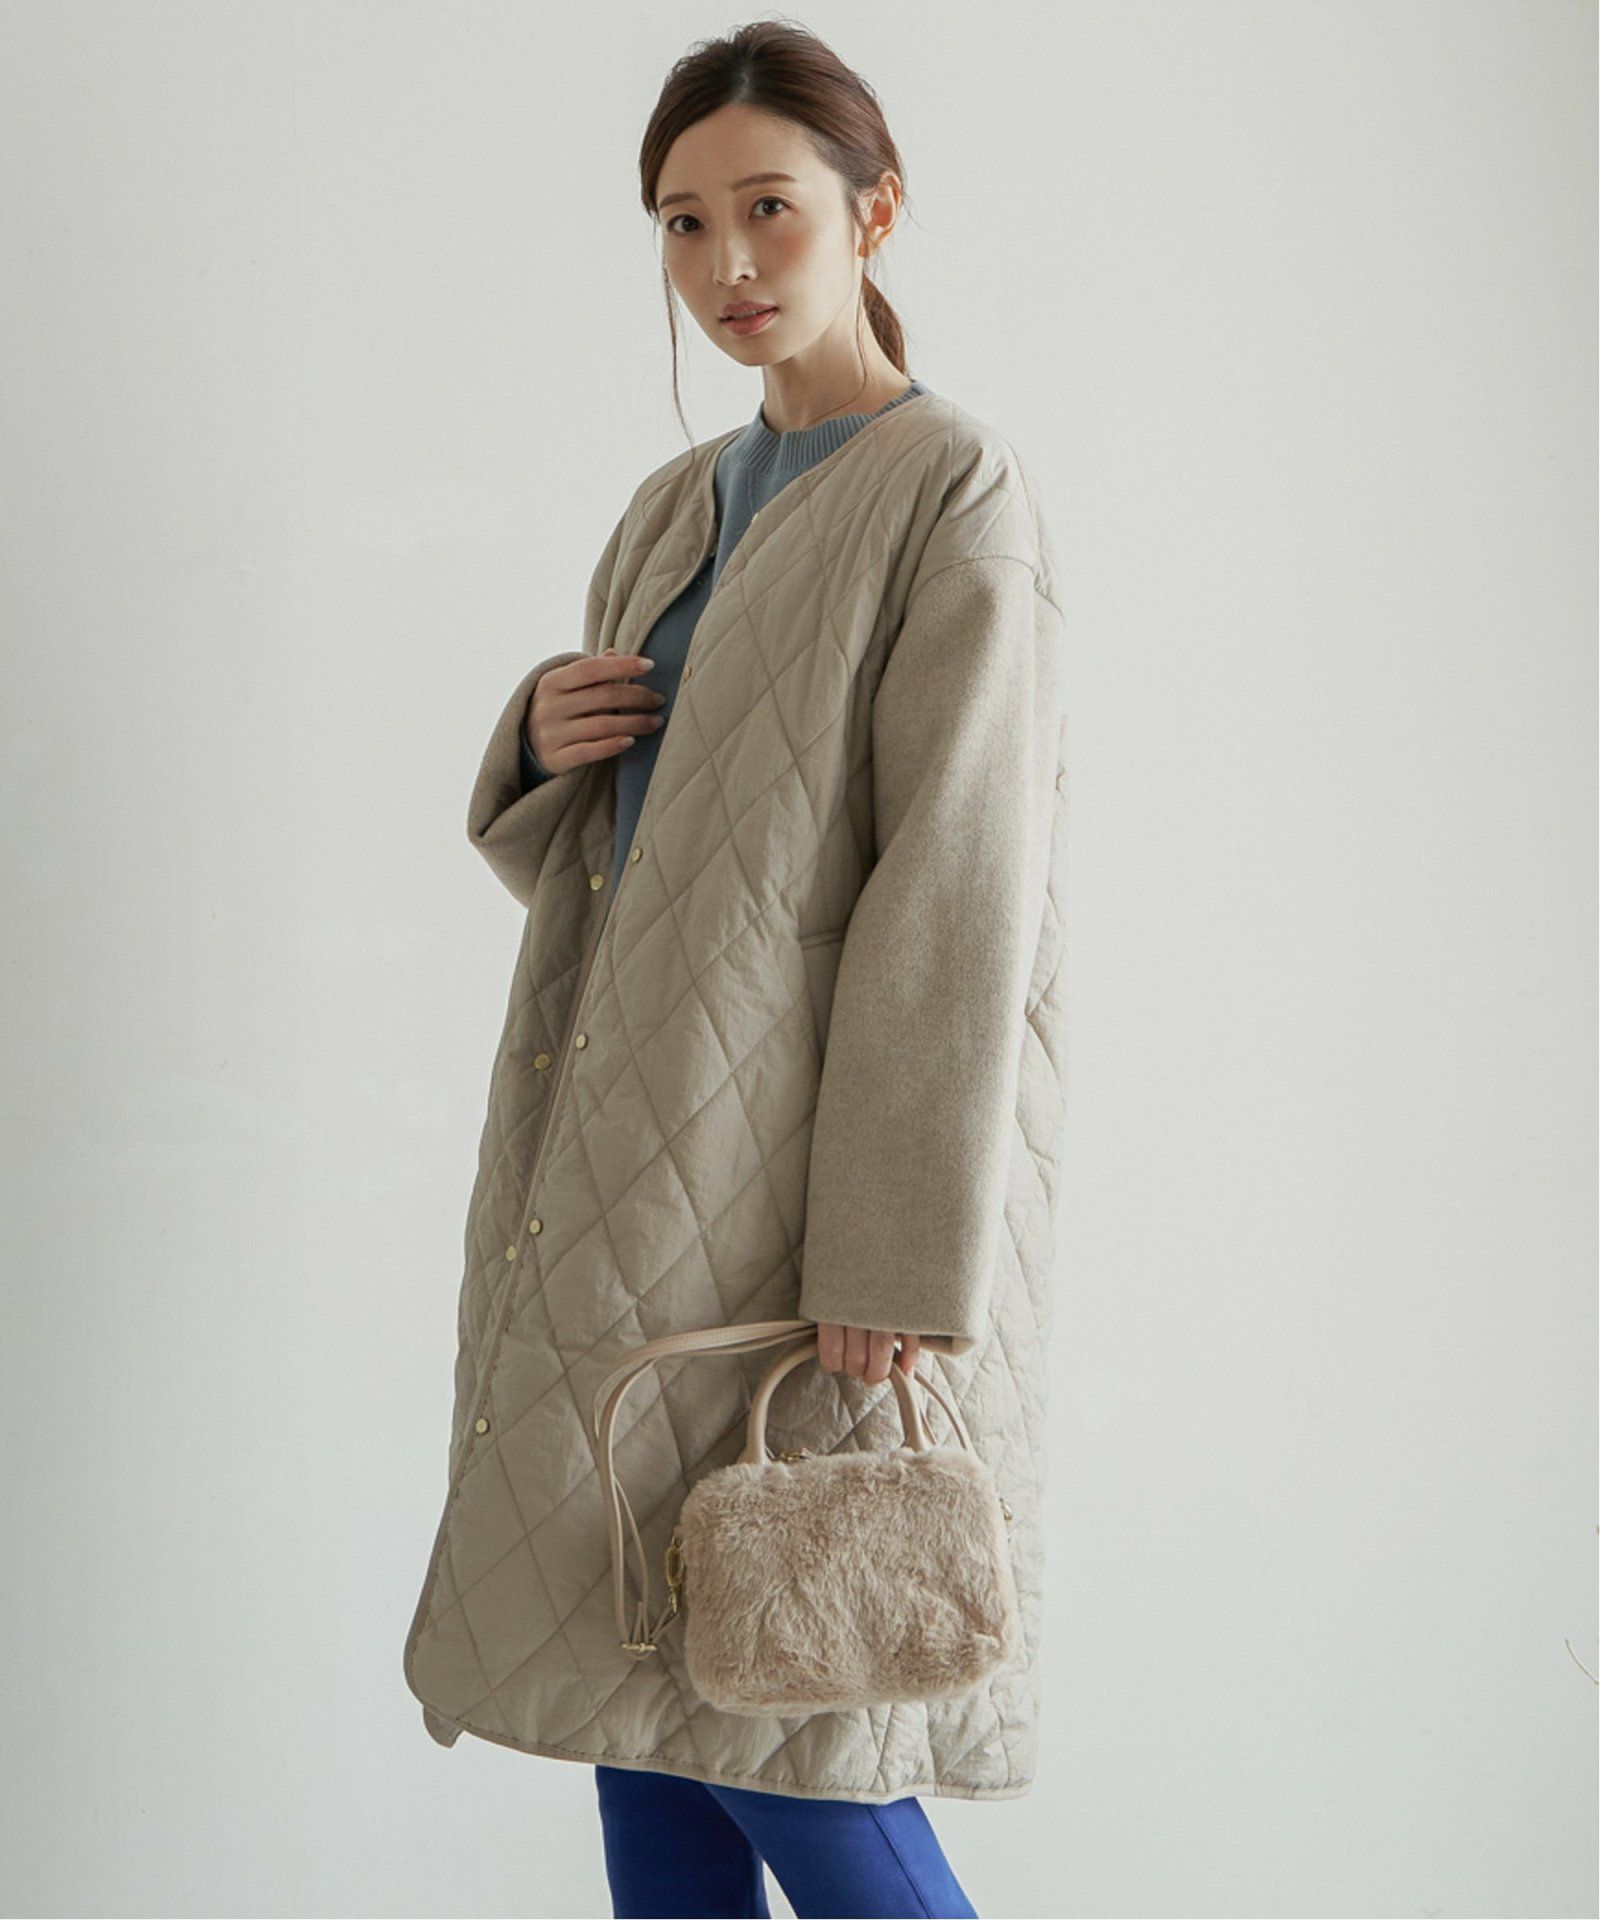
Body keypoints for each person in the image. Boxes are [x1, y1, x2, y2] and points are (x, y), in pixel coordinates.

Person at [403, 22, 1068, 1919]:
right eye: (685, 226)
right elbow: (624, 872)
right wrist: (539, 743)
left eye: (768, 209)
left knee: (795, 1716)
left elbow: (958, 890)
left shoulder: (952, 488)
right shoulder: (671, 505)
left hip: (807, 1222)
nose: (727, 266)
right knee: (643, 1690)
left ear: (875, 211)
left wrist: (893, 1261)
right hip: (620, 1176)